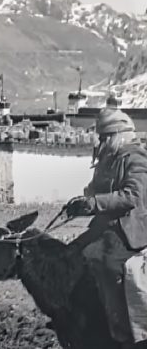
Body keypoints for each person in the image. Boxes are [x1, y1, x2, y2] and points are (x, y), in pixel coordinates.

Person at [66, 108, 147, 347]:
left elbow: (131, 196)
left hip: (131, 228)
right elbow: (95, 189)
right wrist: (84, 201)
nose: (102, 142)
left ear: (120, 134)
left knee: (108, 263)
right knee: (72, 253)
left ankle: (125, 331)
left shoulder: (136, 159)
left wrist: (95, 203)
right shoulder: (108, 159)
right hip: (106, 225)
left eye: (105, 137)